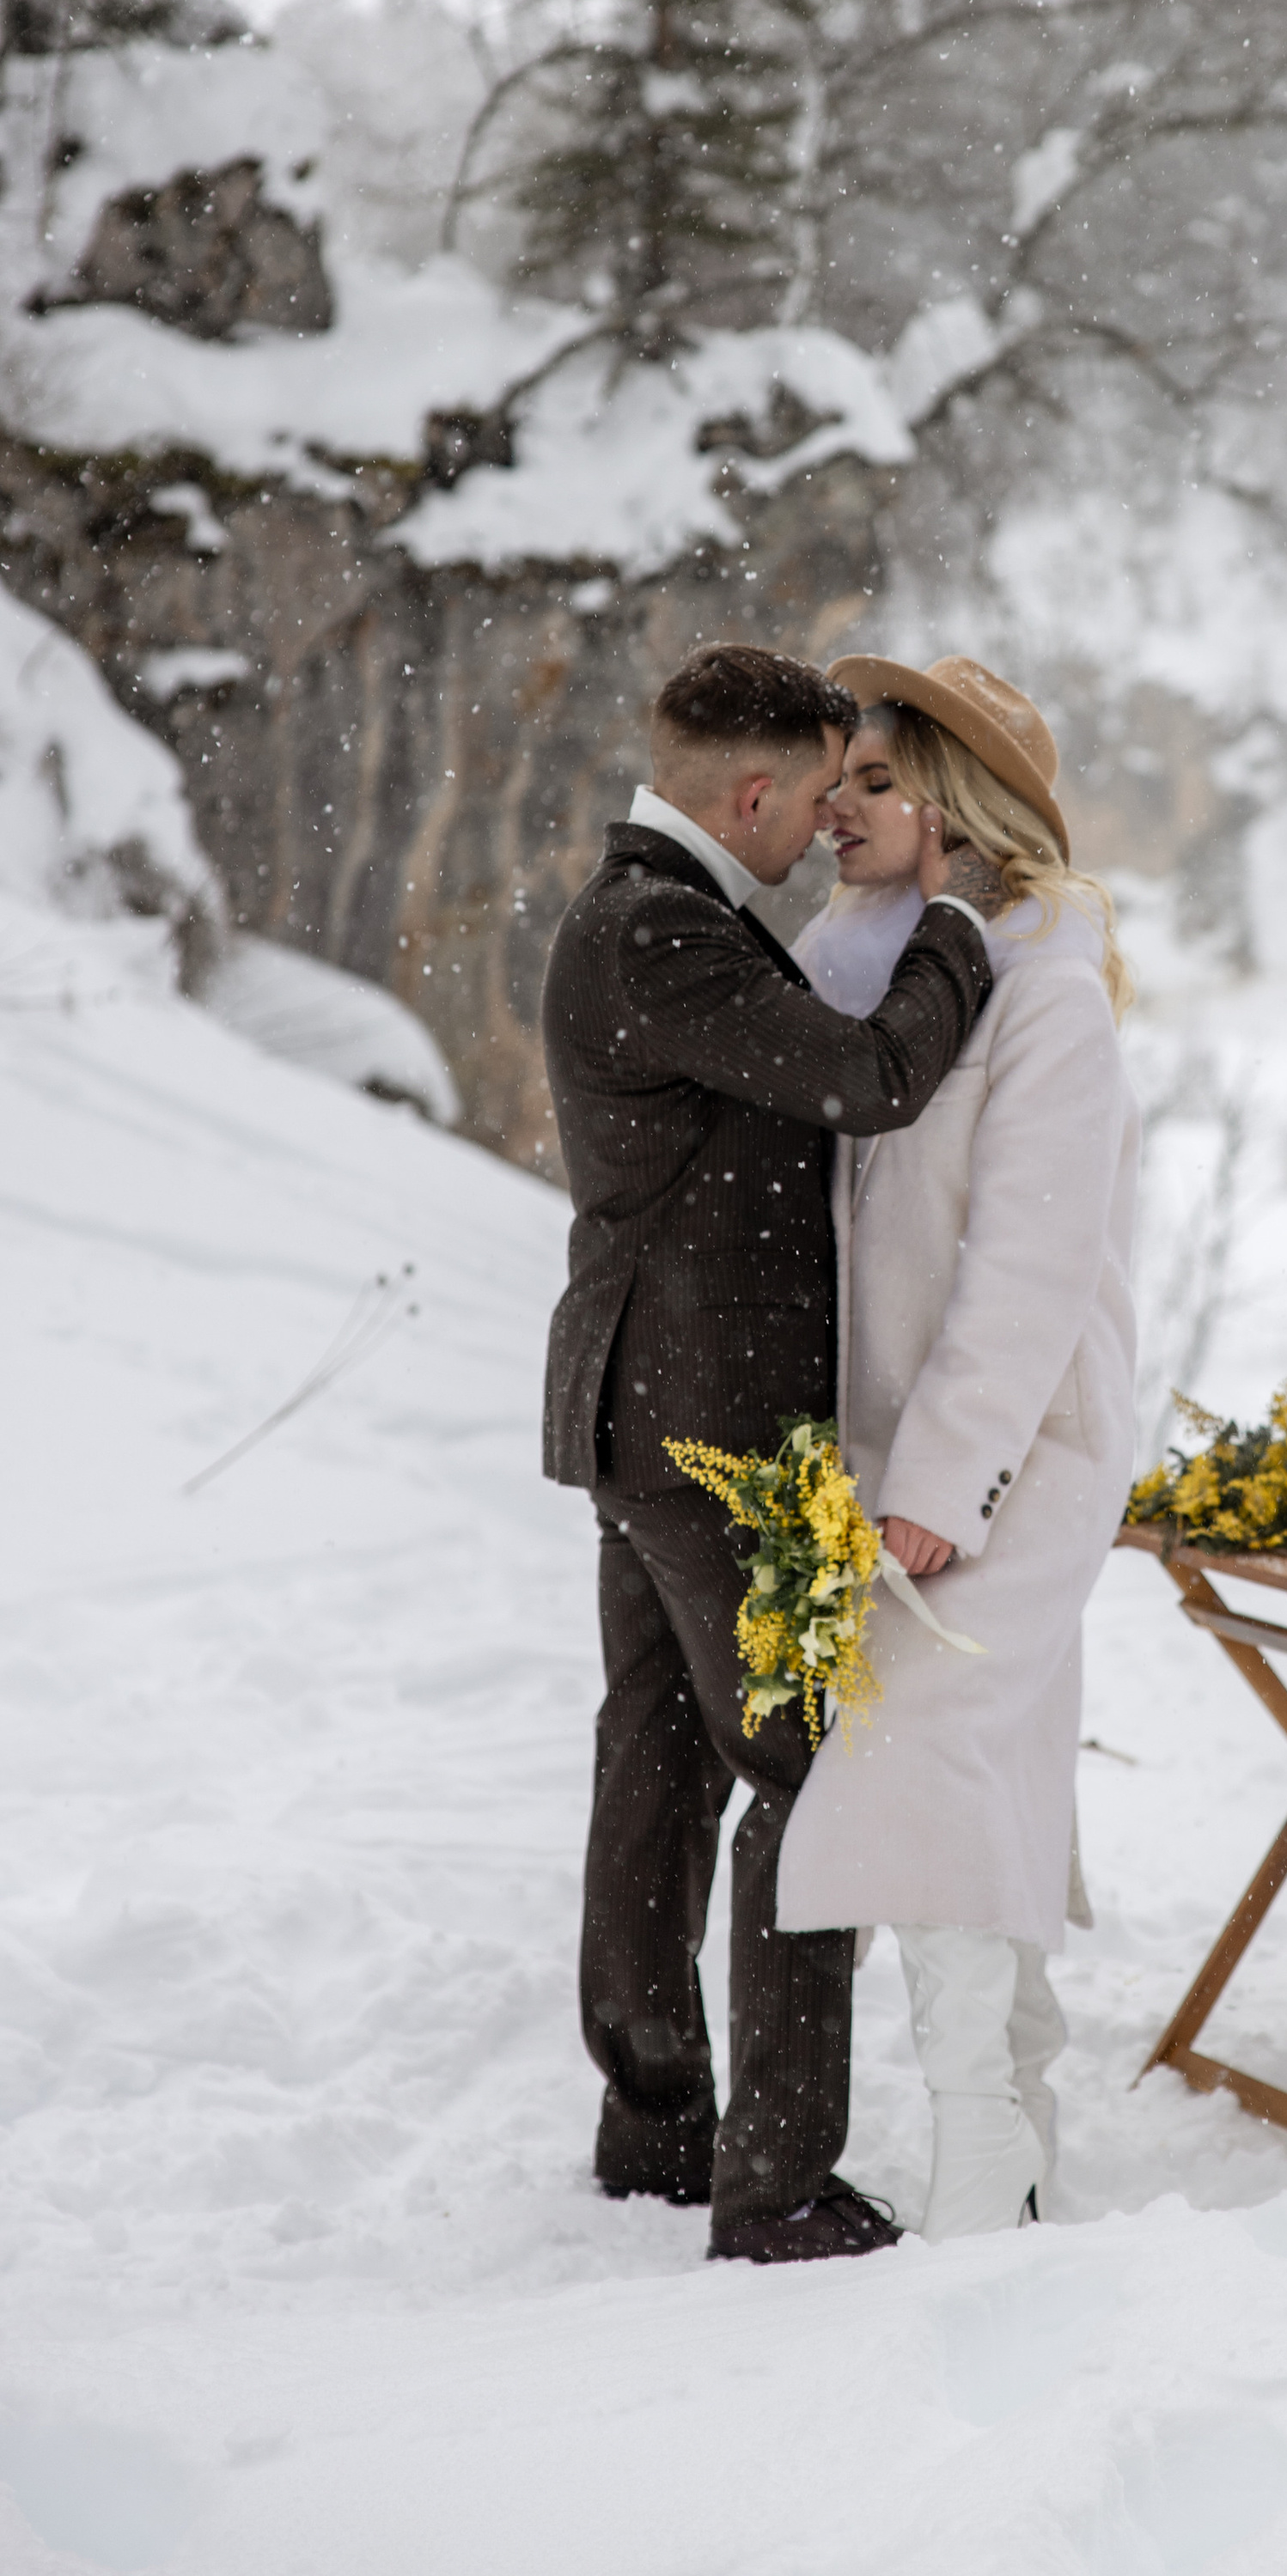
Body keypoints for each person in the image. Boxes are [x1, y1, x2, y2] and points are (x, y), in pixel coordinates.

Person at [539, 640, 1009, 2267]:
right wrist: (956, 921)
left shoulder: (644, 918)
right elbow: (873, 1080)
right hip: (722, 1438)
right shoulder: (661, 930)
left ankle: (657, 2125)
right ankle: (779, 2185)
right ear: (753, 790)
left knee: (660, 1765)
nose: (830, 823)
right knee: (811, 1781)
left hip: (652, 1416)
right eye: (820, 790)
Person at [776, 655, 1140, 2239]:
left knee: (919, 1780)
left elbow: (1031, 1270)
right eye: (833, 777)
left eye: (869, 780)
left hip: (1014, 1458)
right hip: (894, 1465)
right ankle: (1028, 2151)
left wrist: (939, 1485)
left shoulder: (1047, 997)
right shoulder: (862, 980)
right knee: (979, 1789)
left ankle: (985, 2173)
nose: (831, 808)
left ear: (954, 804)